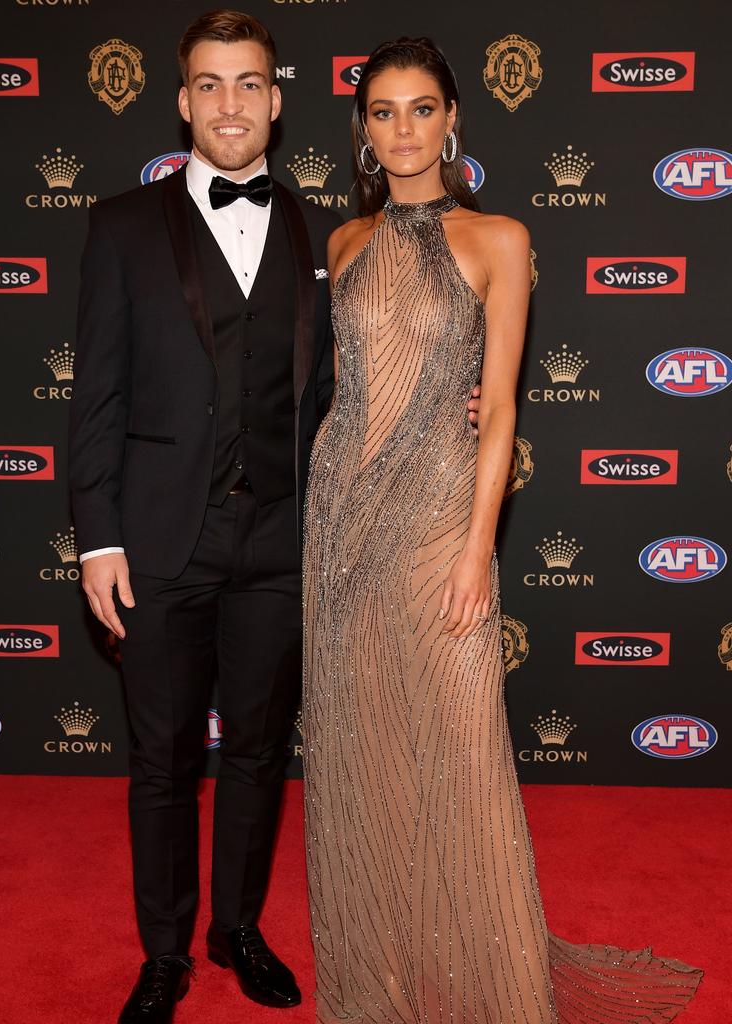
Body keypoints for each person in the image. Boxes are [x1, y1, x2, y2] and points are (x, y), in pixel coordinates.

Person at [302, 37, 703, 1024]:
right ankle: (385, 968)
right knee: (361, 752)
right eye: (384, 111)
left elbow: (506, 407)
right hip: (342, 518)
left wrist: (481, 546)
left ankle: (482, 969)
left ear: (453, 118)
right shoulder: (343, 247)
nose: (403, 128)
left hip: (442, 516)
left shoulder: (502, 239)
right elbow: (346, 394)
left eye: (421, 108)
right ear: (364, 130)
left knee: (456, 745)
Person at [69, 10, 342, 1022]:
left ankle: (236, 927)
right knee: (163, 759)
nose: (233, 103)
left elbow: (336, 391)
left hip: (280, 538)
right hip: (156, 539)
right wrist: (97, 536)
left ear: (276, 99)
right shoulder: (119, 225)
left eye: (252, 83)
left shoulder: (321, 227)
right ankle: (166, 951)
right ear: (183, 101)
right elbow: (93, 394)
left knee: (261, 750)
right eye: (212, 84)